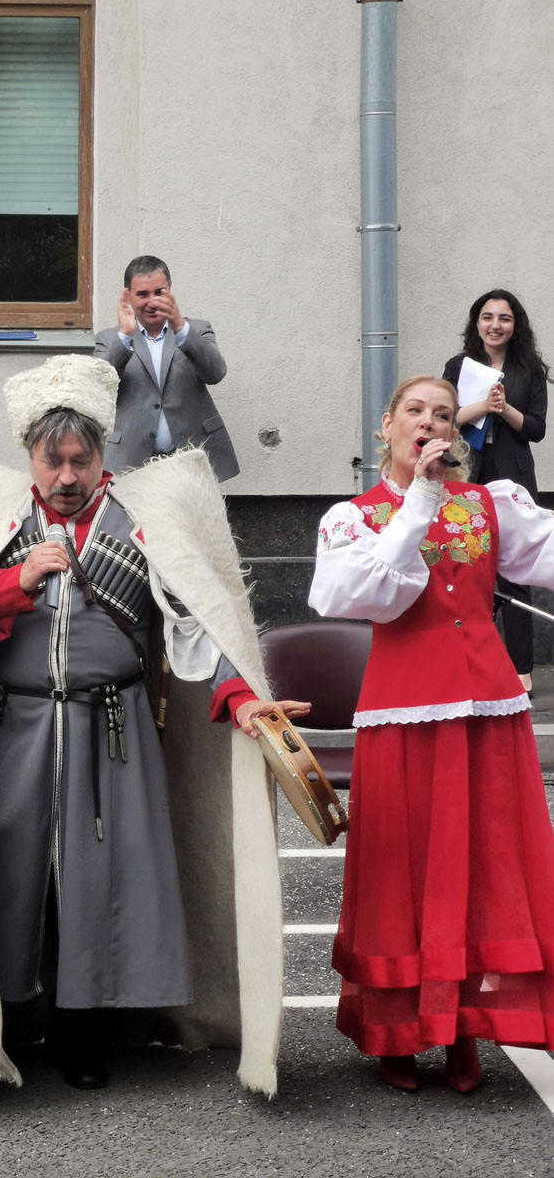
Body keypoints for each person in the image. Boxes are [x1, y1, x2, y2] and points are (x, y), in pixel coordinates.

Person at [0, 354, 307, 1094]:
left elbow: (196, 625)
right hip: (14, 731)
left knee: (100, 885)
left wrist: (243, 698)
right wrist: (13, 582)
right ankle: (1, 1022)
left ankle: (83, 1033)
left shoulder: (141, 523)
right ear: (30, 456)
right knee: (11, 876)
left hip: (113, 733)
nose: (66, 476)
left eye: (79, 460)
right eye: (51, 461)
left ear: (100, 453)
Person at [309, 374, 554, 1094]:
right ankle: (397, 1031)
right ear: (385, 426)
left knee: (485, 865)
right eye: (414, 411)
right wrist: (417, 500)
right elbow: (364, 597)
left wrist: (435, 497)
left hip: (487, 710)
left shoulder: (488, 503)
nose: (429, 423)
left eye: (443, 414)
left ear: (455, 432)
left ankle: (462, 1032)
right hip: (403, 712)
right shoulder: (354, 517)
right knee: (402, 868)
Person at [442, 289, 550, 695]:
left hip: (513, 477)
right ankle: (467, 663)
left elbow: (536, 429)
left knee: (515, 572)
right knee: (466, 568)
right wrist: (483, 406)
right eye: (487, 317)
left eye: (504, 318)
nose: (495, 325)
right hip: (467, 474)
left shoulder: (529, 369)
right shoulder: (460, 366)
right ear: (477, 323)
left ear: (515, 325)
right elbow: (445, 417)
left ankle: (521, 670)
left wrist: (504, 409)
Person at [94, 255, 239, 481]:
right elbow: (97, 388)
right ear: (128, 296)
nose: (152, 302)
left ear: (169, 292)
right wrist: (124, 337)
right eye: (143, 294)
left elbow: (215, 373)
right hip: (131, 463)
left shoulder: (196, 329)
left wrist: (180, 327)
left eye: (159, 292)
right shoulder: (110, 339)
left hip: (191, 459)